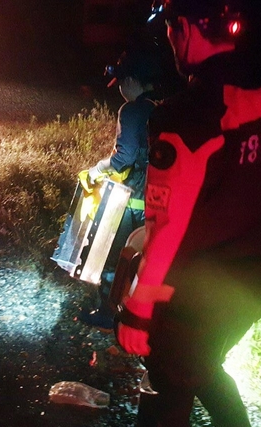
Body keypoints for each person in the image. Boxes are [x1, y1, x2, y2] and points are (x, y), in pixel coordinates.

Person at [115, 0, 261, 426]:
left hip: (190, 299)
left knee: (166, 390)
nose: (172, 44)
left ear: (187, 30)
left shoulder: (186, 116)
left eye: (172, 32)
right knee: (200, 369)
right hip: (248, 288)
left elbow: (168, 223)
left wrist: (137, 309)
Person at [79, 44, 164, 331]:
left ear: (129, 81)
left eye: (121, 84)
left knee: (116, 254)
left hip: (131, 198)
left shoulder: (131, 110)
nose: (119, 91)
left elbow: (123, 157)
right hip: (153, 198)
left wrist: (97, 169)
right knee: (143, 258)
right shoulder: (159, 109)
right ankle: (137, 312)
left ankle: (108, 313)